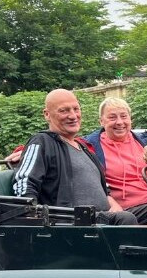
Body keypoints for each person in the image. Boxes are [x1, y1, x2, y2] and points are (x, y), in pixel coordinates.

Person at [12, 89, 138, 224]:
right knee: (126, 219)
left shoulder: (83, 147)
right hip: (71, 221)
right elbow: (24, 182)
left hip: (102, 219)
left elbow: (104, 189)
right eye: (64, 111)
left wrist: (114, 206)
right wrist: (31, 218)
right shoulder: (42, 141)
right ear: (47, 114)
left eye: (76, 109)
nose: (73, 116)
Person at [83, 97, 147, 225]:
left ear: (130, 119)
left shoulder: (146, 142)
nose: (119, 122)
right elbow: (89, 183)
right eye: (112, 117)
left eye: (124, 116)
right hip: (123, 212)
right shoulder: (89, 147)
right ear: (101, 121)